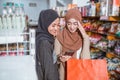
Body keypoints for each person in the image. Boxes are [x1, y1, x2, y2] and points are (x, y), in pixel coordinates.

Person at [54, 8, 90, 80]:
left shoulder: (83, 38)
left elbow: (86, 60)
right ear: (66, 22)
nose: (72, 27)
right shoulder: (59, 37)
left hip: (80, 75)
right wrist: (60, 58)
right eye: (69, 23)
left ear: (79, 23)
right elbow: (54, 59)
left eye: (75, 23)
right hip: (64, 75)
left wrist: (85, 36)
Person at [35, 9, 60, 80]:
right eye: (53, 25)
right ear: (45, 24)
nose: (56, 28)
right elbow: (49, 71)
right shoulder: (45, 42)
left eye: (58, 25)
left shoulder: (44, 37)